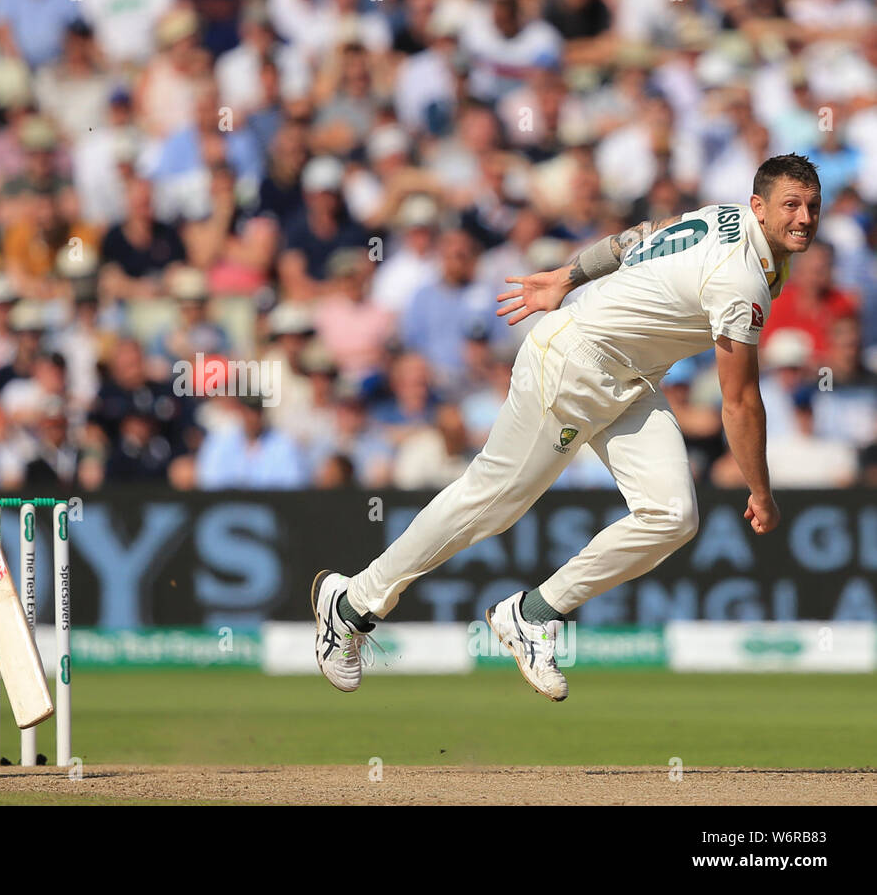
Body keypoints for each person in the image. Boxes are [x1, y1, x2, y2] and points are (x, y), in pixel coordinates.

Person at [313, 153, 821, 701]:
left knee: (672, 516)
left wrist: (566, 275)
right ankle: (351, 604)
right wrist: (761, 492)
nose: (803, 218)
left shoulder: (727, 219)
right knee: (492, 499)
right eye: (790, 205)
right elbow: (740, 400)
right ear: (758, 206)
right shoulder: (741, 277)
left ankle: (530, 614)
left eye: (812, 207)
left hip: (629, 378)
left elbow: (639, 237)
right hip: (575, 362)